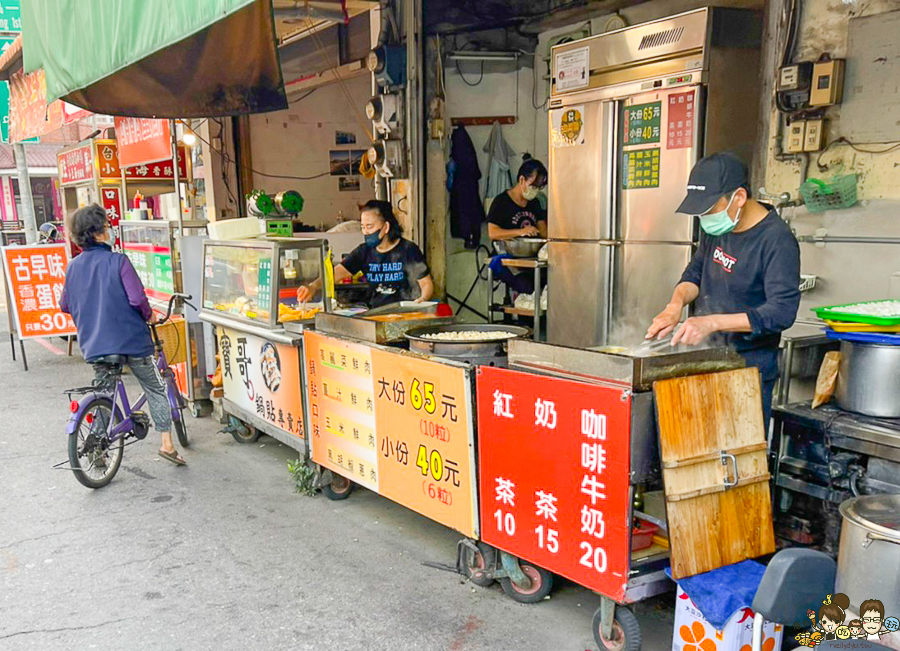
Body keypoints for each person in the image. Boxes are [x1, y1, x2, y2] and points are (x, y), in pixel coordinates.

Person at [645, 152, 801, 427]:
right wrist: (675, 305)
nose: (704, 218)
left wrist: (713, 323)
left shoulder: (777, 240)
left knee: (735, 459)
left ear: (738, 197)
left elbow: (781, 313)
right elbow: (695, 272)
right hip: (704, 358)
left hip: (746, 369)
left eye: (709, 209)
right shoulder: (718, 228)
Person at [60, 204, 185, 466]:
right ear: (96, 233)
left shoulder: (73, 267)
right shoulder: (118, 261)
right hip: (132, 341)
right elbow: (137, 299)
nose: (110, 230)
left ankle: (97, 450)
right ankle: (167, 445)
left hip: (94, 344)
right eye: (106, 227)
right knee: (154, 386)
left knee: (104, 394)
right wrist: (149, 314)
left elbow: (65, 305)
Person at [297, 200, 433, 309]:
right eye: (362, 227)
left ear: (386, 227)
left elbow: (426, 283)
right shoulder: (364, 252)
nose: (365, 232)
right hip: (377, 314)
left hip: (406, 314)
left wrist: (422, 300)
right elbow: (334, 275)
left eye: (370, 227)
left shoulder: (408, 250)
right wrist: (313, 286)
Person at [487, 155, 548, 295]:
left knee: (546, 284)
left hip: (531, 259)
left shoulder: (535, 203)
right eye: (533, 186)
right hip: (506, 259)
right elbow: (493, 233)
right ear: (521, 180)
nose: (536, 190)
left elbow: (544, 232)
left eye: (539, 187)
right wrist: (520, 232)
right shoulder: (501, 202)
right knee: (528, 289)